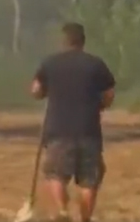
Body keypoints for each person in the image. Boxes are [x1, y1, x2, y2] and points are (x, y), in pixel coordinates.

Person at [30, 22, 116, 222]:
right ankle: (85, 219)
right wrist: (101, 105)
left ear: (63, 41)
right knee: (89, 180)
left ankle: (62, 211)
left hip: (58, 131)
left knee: (56, 174)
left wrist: (43, 93)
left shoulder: (50, 63)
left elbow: (36, 90)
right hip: (88, 130)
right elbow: (109, 94)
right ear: (83, 41)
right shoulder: (96, 64)